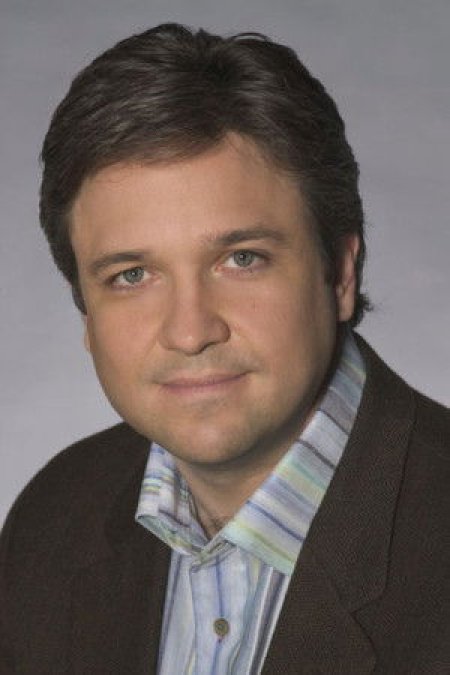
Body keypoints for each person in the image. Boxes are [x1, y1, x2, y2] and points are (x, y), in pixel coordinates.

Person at [0, 22, 449, 675]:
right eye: (132, 274)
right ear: (85, 311)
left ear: (340, 274)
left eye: (242, 258)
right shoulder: (53, 517)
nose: (190, 331)